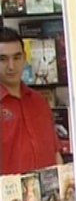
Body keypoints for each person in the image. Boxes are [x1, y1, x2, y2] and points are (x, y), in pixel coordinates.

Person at [0, 26, 63, 175]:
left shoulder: (39, 101)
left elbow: (55, 153)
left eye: (17, 57)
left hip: (49, 188)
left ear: (25, 58)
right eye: (3, 59)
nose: (11, 66)